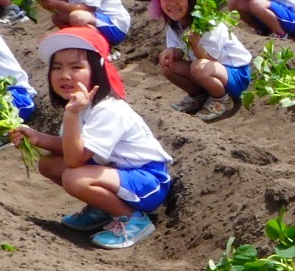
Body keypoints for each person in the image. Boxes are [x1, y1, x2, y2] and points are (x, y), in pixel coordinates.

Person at [11, 27, 173, 250]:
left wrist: (72, 114)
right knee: (48, 163)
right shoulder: (82, 106)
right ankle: (105, 209)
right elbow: (71, 148)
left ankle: (133, 219)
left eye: (76, 67)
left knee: (75, 178)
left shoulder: (108, 109)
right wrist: (38, 138)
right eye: (57, 68)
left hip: (148, 182)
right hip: (119, 174)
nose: (65, 75)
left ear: (97, 72)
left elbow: (75, 160)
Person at [151, 0, 252, 122]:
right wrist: (172, 52)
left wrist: (195, 45)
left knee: (198, 67)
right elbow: (179, 48)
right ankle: (199, 96)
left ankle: (222, 100)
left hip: (235, 74)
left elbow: (210, 61)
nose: (172, 4)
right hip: (211, 72)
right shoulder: (176, 23)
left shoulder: (209, 24)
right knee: (168, 65)